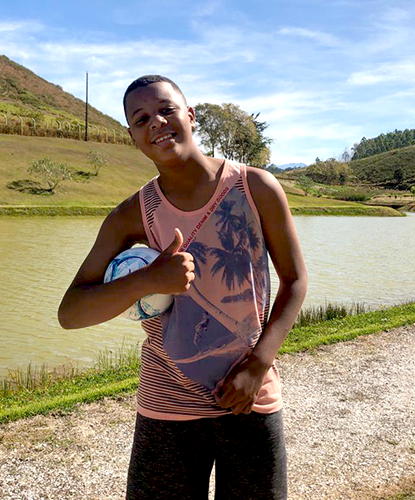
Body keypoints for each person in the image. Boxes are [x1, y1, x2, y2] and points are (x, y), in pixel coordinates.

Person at [58, 75, 307, 499]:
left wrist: (259, 364)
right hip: (166, 402)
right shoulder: (131, 215)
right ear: (133, 136)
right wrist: (148, 280)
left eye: (166, 110)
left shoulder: (256, 187)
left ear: (190, 116)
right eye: (140, 119)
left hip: (247, 395)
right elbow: (71, 313)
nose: (155, 122)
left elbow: (296, 281)